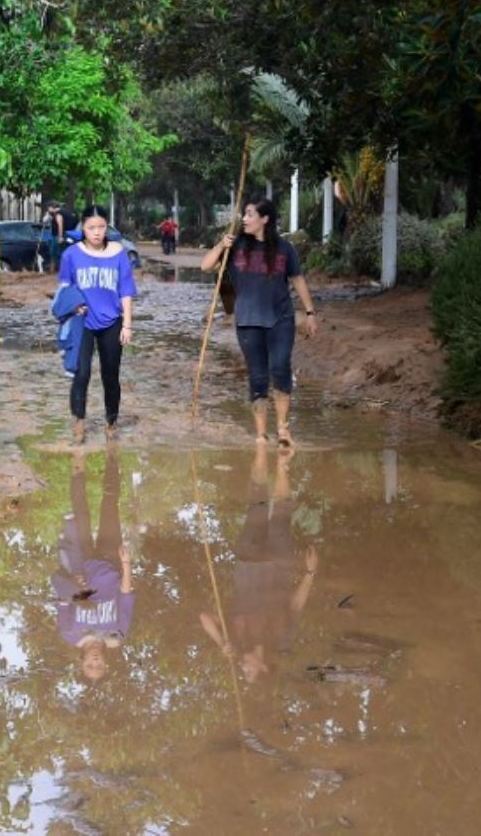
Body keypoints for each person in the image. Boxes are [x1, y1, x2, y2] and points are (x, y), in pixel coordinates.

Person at [201, 197, 317, 446]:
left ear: (265, 219)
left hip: (281, 319)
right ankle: (261, 435)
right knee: (258, 377)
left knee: (280, 368)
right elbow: (206, 266)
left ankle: (283, 429)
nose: (244, 218)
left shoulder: (285, 249)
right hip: (248, 322)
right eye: (244, 214)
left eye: (250, 214)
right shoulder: (235, 245)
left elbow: (297, 280)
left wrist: (310, 313)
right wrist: (221, 246)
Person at [200, 441, 316, 683]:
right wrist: (310, 574)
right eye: (248, 671)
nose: (243, 667)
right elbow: (295, 606)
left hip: (248, 563)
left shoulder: (236, 641)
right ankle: (282, 464)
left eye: (242, 672)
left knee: (256, 506)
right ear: (263, 667)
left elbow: (204, 617)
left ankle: (262, 450)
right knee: (282, 514)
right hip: (279, 564)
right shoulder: (283, 639)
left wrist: (222, 642)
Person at [52, 445, 134, 683]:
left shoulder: (68, 633)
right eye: (99, 666)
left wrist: (73, 586)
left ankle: (78, 457)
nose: (95, 661)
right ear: (106, 664)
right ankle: (111, 455)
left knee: (81, 510)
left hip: (81, 560)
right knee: (110, 505)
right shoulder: (118, 634)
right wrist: (126, 564)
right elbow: (126, 595)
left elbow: (61, 595)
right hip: (111, 562)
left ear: (82, 661)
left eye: (90, 665)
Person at [57, 205, 136, 443]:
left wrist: (127, 325)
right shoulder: (71, 255)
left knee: (110, 377)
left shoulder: (119, 253)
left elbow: (126, 291)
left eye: (102, 227)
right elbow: (64, 288)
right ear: (83, 227)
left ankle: (111, 423)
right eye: (92, 227)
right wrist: (73, 305)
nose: (97, 232)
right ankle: (79, 424)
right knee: (81, 374)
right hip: (82, 322)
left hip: (112, 322)